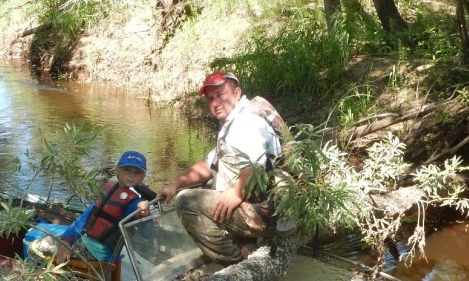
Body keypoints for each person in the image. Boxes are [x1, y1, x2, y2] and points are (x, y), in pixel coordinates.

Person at [157, 71, 291, 264]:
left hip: (271, 215)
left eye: (220, 95)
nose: (215, 103)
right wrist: (174, 184)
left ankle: (235, 261)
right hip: (280, 209)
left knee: (186, 202)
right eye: (210, 99)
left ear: (237, 93)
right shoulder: (242, 117)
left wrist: (235, 194)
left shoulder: (247, 122)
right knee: (213, 179)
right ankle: (247, 242)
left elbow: (256, 166)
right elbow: (208, 165)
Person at [30, 151, 156, 264]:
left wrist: (145, 215)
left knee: (35, 249)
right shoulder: (109, 188)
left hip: (103, 252)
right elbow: (86, 216)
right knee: (42, 243)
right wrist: (67, 240)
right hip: (89, 241)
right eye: (127, 169)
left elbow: (146, 234)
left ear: (143, 176)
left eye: (137, 172)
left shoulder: (136, 202)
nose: (131, 175)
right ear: (117, 170)